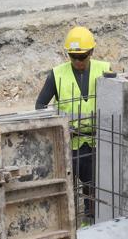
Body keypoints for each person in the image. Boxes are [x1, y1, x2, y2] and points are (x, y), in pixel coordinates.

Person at [36, 26, 111, 225]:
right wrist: (60, 126)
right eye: (73, 57)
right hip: (69, 142)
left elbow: (116, 101)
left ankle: (90, 222)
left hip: (96, 140)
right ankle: (64, 225)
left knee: (94, 186)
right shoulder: (57, 75)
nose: (78, 61)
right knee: (66, 188)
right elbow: (40, 106)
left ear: (92, 52)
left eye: (82, 56)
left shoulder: (104, 70)